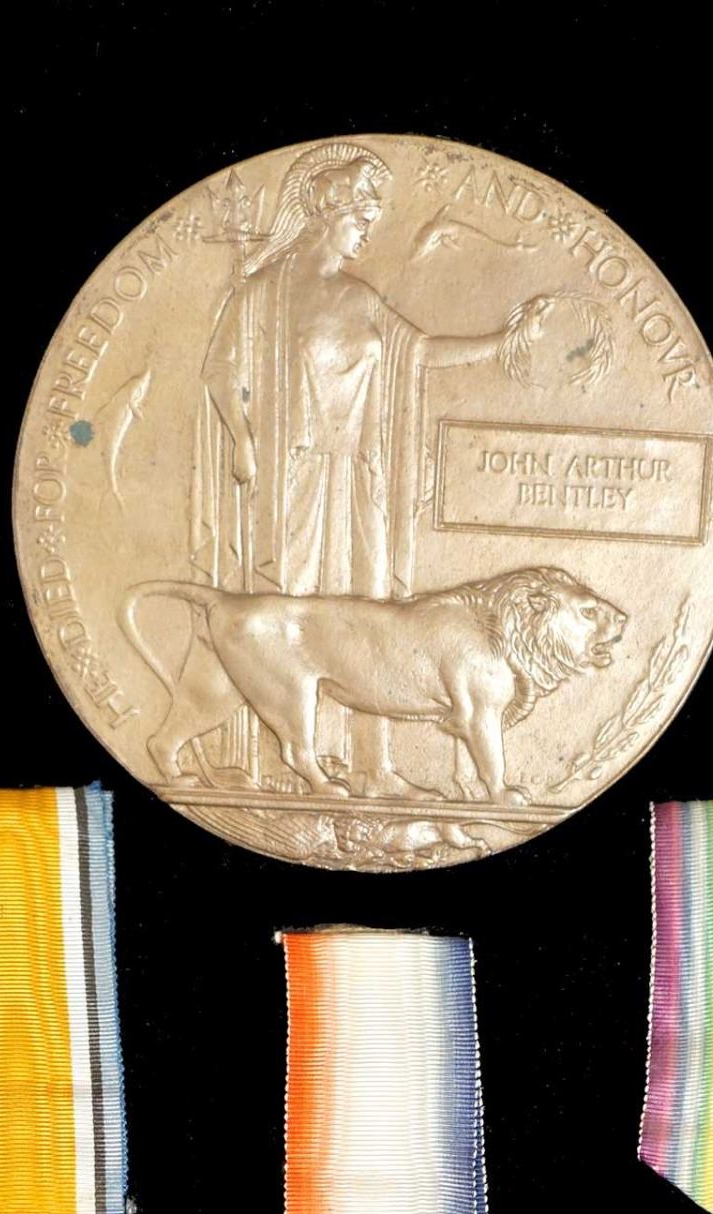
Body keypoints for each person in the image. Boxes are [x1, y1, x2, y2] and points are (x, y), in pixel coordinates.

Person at [192, 140, 511, 797]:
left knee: (370, 618)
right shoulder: (263, 294)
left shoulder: (361, 298)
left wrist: (502, 342)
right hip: (294, 476)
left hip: (357, 478)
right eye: (360, 219)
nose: (367, 232)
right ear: (325, 215)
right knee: (292, 615)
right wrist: (243, 441)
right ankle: (288, 761)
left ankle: (372, 767)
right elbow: (221, 371)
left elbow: (418, 353)